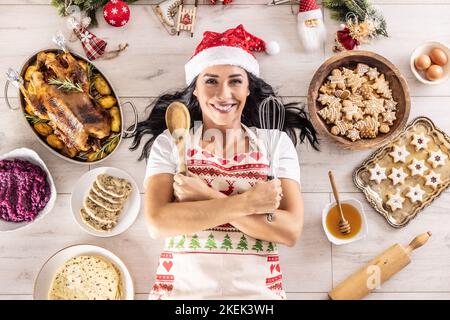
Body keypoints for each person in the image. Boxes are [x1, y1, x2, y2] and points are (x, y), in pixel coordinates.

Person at [128, 24, 319, 299]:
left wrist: (205, 195)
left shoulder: (275, 143)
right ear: (195, 89)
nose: (223, 94)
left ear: (248, 89)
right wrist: (249, 203)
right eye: (211, 80)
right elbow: (159, 223)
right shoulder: (171, 142)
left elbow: (289, 230)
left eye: (235, 80)